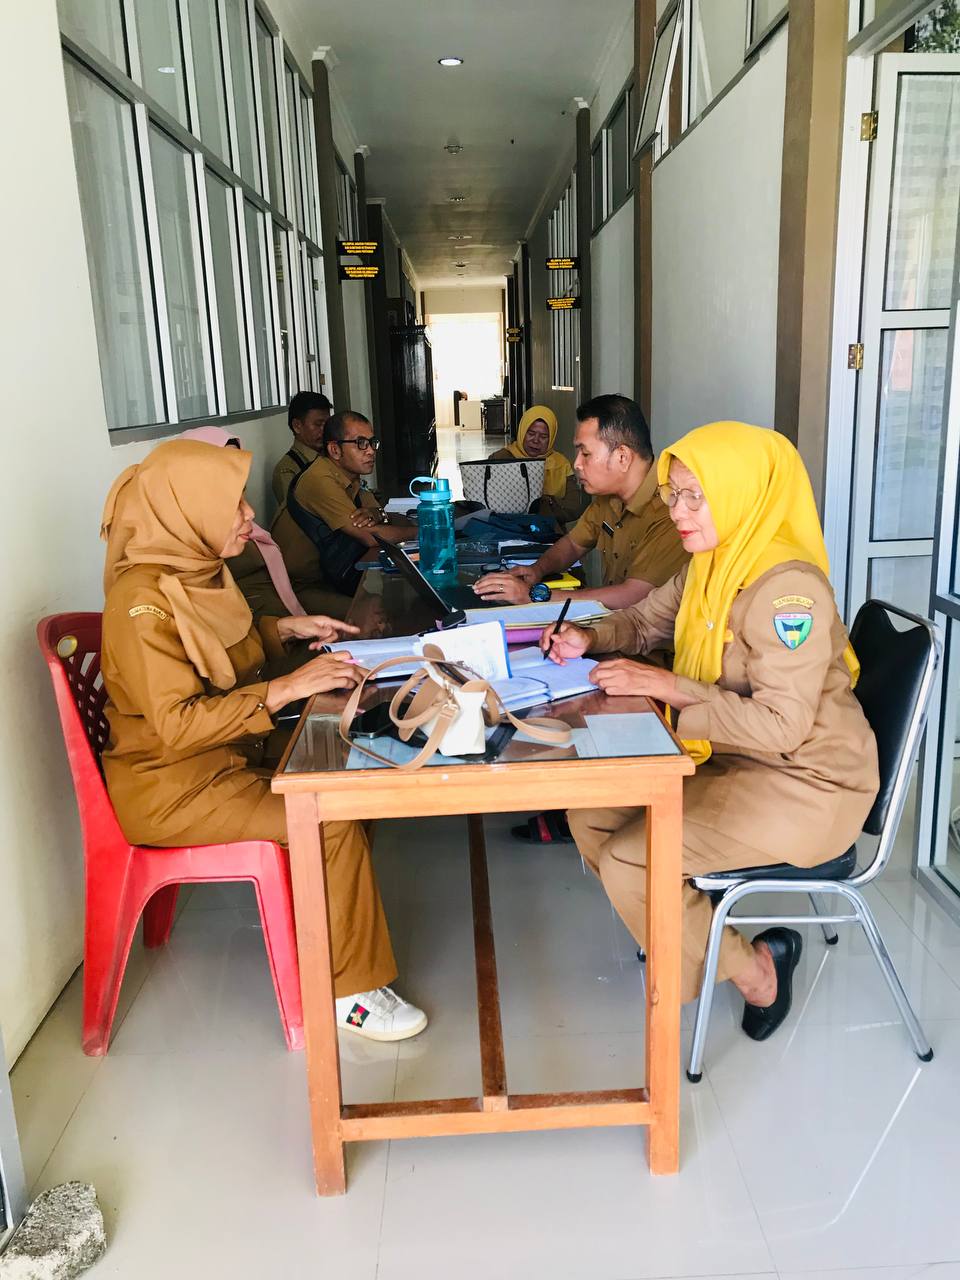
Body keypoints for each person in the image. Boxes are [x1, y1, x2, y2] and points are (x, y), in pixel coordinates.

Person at [543, 421, 879, 1040]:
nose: (677, 511)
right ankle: (681, 930)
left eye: (696, 497)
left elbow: (781, 725)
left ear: (744, 495)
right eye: (673, 494)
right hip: (735, 760)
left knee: (632, 859)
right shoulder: (714, 561)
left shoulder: (788, 593)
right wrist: (588, 637)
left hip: (808, 783)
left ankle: (757, 971)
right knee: (588, 812)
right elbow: (645, 621)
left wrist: (673, 690)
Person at [99, 440, 427, 1041]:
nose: (250, 519)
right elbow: (177, 725)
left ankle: (332, 936)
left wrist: (286, 629)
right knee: (327, 817)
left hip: (226, 758)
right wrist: (284, 691)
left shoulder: (193, 573)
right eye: (234, 508)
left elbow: (223, 651)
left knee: (351, 766)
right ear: (186, 510)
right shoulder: (139, 604)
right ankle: (348, 991)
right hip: (174, 787)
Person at [474, 394, 687, 610]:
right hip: (613, 624)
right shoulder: (610, 496)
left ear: (622, 457)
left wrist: (536, 596)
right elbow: (573, 544)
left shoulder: (672, 508)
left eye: (585, 453)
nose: (577, 464)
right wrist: (537, 570)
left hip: (647, 639)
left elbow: (634, 595)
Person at [179, 426, 346, 625]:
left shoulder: (238, 519)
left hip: (281, 625)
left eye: (237, 462)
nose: (249, 512)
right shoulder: (193, 541)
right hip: (264, 634)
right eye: (223, 463)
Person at [271, 411, 417, 612]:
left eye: (372, 442)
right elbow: (371, 536)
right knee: (374, 614)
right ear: (335, 450)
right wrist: (426, 531)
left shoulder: (351, 477)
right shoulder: (319, 479)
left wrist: (377, 514)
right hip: (300, 589)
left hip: (334, 577)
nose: (370, 451)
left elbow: (387, 519)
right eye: (360, 443)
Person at [487, 405, 582, 524]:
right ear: (522, 431)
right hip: (506, 528)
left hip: (548, 531)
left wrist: (542, 504)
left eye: (543, 436)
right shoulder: (500, 458)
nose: (536, 440)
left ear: (551, 438)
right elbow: (485, 501)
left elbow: (574, 508)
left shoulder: (561, 464)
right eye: (531, 433)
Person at [272, 391, 332, 505]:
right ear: (297, 426)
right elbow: (300, 513)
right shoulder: (287, 470)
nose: (325, 430)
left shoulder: (332, 455)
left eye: (327, 424)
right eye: (318, 424)